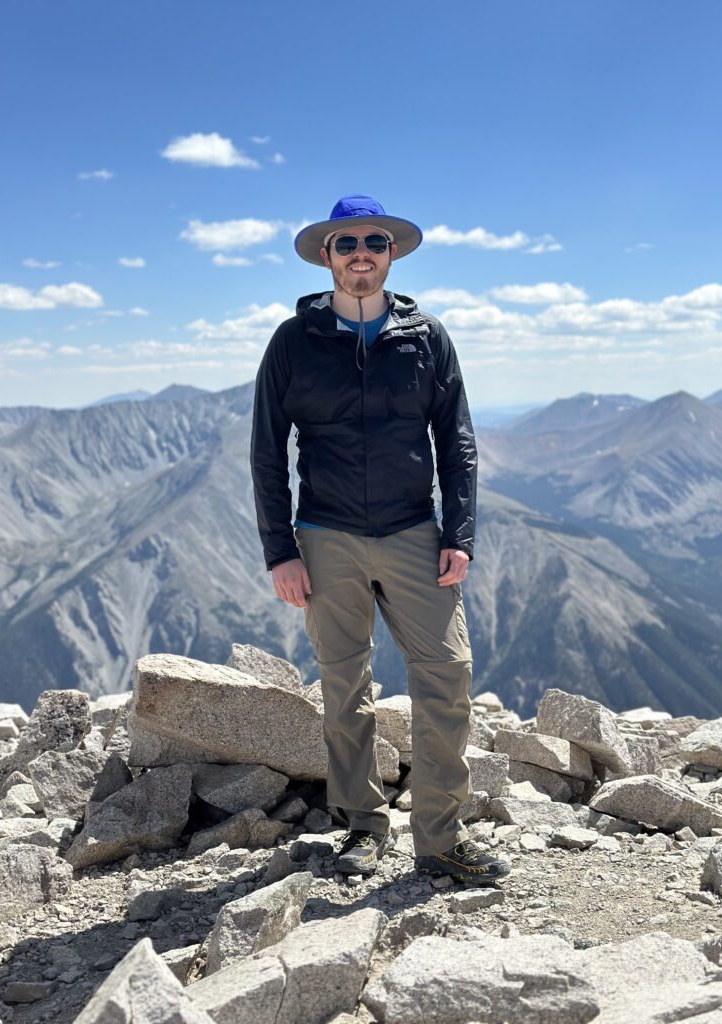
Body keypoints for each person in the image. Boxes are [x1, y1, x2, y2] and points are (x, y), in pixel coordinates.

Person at [249, 194, 510, 885]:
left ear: (391, 253)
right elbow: (266, 452)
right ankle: (362, 828)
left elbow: (457, 442)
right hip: (325, 535)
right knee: (344, 685)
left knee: (447, 677)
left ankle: (441, 837)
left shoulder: (426, 337)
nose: (361, 252)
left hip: (414, 533)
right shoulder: (292, 342)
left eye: (374, 241)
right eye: (346, 243)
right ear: (327, 256)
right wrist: (280, 549)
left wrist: (459, 533)